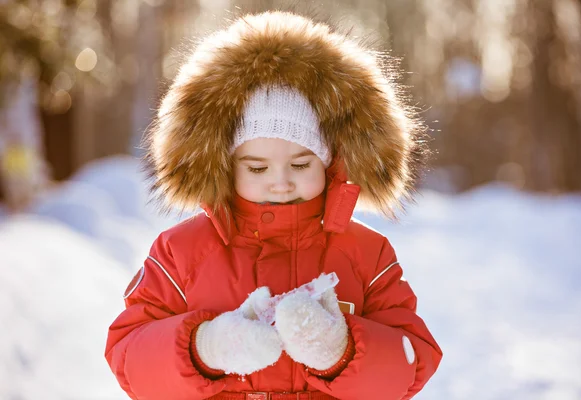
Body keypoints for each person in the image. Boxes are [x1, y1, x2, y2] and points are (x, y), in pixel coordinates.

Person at [105, 10, 442, 400]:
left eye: (301, 164)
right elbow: (129, 356)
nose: (280, 182)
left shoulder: (367, 255)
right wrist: (205, 348)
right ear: (225, 167)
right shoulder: (180, 254)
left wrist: (341, 350)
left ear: (332, 162)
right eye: (257, 167)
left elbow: (412, 362)